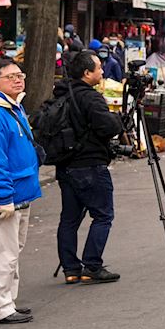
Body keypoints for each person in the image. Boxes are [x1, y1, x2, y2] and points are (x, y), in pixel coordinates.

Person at [53, 51, 125, 284]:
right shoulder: (91, 98)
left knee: (69, 219)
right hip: (90, 164)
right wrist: (118, 120)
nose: (102, 71)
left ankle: (71, 269)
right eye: (98, 68)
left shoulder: (62, 94)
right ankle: (92, 265)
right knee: (103, 215)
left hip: (66, 164)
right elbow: (108, 127)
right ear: (86, 73)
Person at [0, 59, 40, 323]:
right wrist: (3, 197)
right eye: (10, 76)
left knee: (10, 252)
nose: (18, 80)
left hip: (19, 193)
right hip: (3, 198)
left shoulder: (12, 107)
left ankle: (6, 303)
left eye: (20, 75)